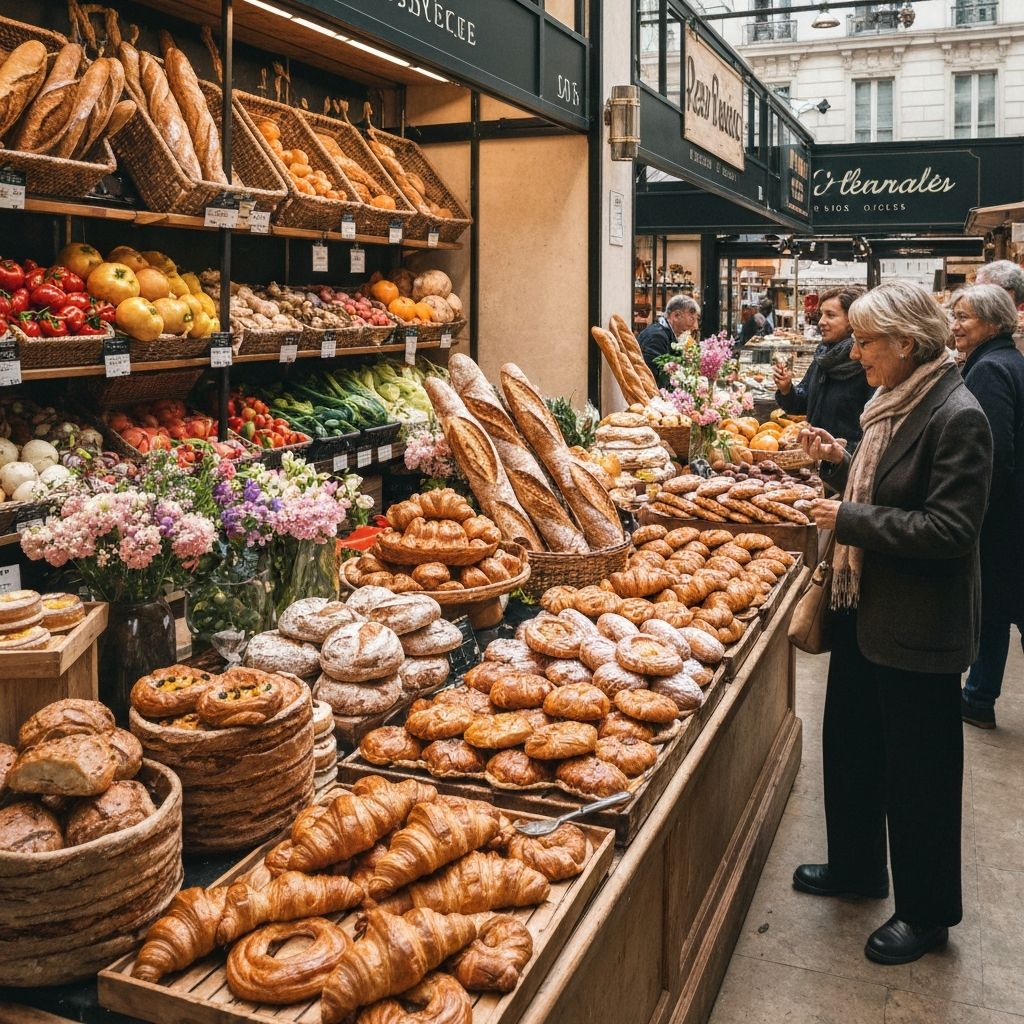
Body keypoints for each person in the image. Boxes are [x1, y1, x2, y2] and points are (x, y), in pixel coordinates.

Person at [794, 280, 993, 966]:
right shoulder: (893, 404)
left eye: (867, 341)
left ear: (907, 344)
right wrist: (841, 459)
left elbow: (950, 528)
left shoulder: (958, 413)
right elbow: (889, 481)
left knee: (920, 775)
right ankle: (856, 868)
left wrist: (849, 519)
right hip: (864, 609)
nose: (857, 353)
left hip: (916, 628)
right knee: (849, 745)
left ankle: (926, 913)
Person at [951, 284, 1024, 729]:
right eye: (954, 316)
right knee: (999, 606)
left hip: (1003, 517)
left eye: (965, 317)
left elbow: (992, 454)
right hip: (1010, 513)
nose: (955, 325)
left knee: (1002, 603)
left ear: (994, 323)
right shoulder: (1005, 360)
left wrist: (970, 512)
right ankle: (978, 696)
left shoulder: (991, 370)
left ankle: (979, 696)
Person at [772, 286, 875, 469]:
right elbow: (802, 404)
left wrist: (840, 454)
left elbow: (873, 433)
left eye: (830, 315)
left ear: (853, 321)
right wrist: (787, 389)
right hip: (813, 462)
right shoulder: (824, 357)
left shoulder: (868, 365)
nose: (821, 321)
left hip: (848, 466)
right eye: (821, 314)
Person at [637, 294, 700, 382]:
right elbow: (651, 379)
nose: (695, 326)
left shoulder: (666, 334)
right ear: (676, 316)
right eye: (692, 319)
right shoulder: (657, 337)